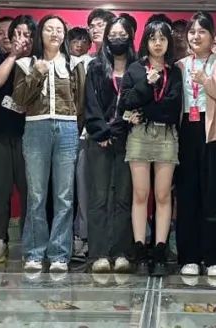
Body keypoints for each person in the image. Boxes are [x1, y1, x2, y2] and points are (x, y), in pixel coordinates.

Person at [14, 15, 87, 274]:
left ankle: (59, 254)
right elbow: (20, 99)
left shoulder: (74, 63)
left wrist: (73, 125)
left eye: (59, 30)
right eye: (49, 29)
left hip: (67, 129)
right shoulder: (26, 63)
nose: (54, 33)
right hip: (36, 127)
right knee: (36, 195)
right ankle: (34, 253)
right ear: (40, 34)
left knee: (64, 195)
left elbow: (81, 103)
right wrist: (37, 73)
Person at [174, 11, 216, 278]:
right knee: (187, 195)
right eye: (192, 32)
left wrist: (207, 82)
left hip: (215, 134)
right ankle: (189, 256)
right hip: (186, 131)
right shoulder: (180, 65)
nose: (196, 36)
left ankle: (215, 258)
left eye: (202, 31)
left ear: (212, 36)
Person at [120, 18, 183, 277]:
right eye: (153, 39)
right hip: (139, 136)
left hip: (166, 135)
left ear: (169, 42)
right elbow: (126, 101)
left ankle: (159, 250)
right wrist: (147, 84)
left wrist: (145, 110)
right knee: (140, 194)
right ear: (145, 41)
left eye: (162, 39)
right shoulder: (135, 69)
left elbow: (172, 108)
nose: (158, 44)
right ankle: (139, 250)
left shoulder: (175, 71)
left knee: (163, 195)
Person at [0, 15, 36, 266]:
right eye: (16, 34)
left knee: (32, 193)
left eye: (27, 34)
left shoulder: (40, 62)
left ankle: (32, 245)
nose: (21, 39)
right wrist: (13, 55)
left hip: (31, 137)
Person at [83, 15, 138, 274]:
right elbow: (90, 103)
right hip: (99, 140)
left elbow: (140, 102)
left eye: (122, 35)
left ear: (131, 37)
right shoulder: (95, 67)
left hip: (129, 139)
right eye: (113, 35)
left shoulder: (138, 67)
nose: (117, 39)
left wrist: (121, 128)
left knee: (124, 198)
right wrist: (101, 131)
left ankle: (121, 252)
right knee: (98, 197)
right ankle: (99, 253)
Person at [73, 8, 116, 260]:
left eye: (101, 24)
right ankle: (86, 237)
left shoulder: (122, 60)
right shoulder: (83, 62)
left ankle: (114, 241)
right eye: (92, 25)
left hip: (118, 135)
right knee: (87, 191)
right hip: (87, 135)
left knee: (114, 192)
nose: (95, 29)